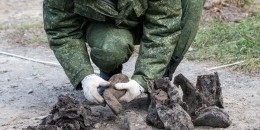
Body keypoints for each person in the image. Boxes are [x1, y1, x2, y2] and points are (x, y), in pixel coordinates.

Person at [43, 0, 205, 105]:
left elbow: (163, 28)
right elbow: (61, 29)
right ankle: (108, 77)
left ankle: (161, 81)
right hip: (105, 24)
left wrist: (143, 80)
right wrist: (84, 75)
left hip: (153, 15)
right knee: (110, 49)